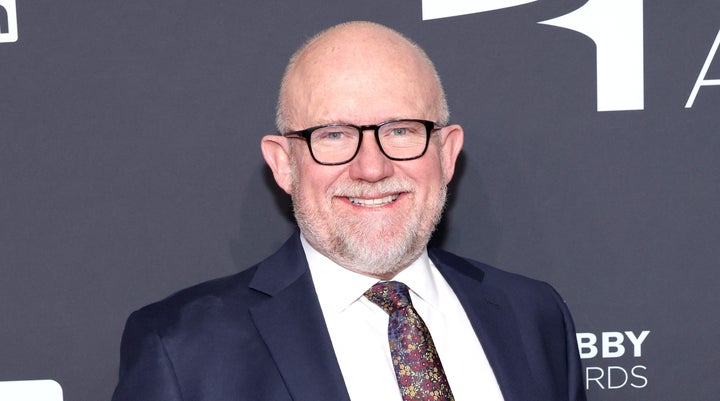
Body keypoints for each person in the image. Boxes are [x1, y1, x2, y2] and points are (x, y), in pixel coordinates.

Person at [112, 21, 586, 401]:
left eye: (401, 130)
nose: (372, 168)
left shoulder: (534, 315)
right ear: (283, 164)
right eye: (334, 135)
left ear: (446, 153)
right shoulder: (181, 347)